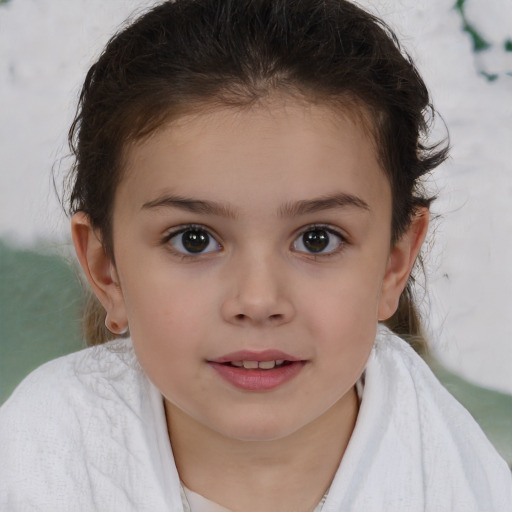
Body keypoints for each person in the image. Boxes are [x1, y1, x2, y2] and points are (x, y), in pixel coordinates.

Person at [0, 0, 510, 510]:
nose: (259, 300)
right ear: (106, 269)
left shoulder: (467, 489)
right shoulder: (30, 463)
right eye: (193, 239)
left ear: (393, 264)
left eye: (317, 239)